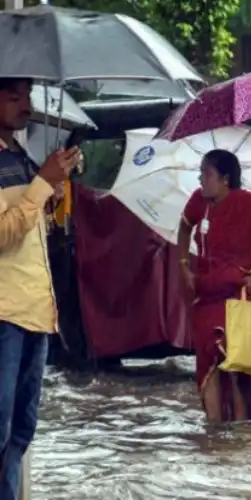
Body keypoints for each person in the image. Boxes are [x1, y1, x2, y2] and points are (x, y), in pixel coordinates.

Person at [0, 77, 81, 500]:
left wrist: (51, 190)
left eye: (27, 94)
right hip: (5, 312)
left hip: (35, 310)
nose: (25, 104)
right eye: (13, 95)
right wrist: (41, 185)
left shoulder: (22, 156)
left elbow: (34, 230)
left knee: (20, 431)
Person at [178, 149, 251, 423]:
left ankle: (240, 433)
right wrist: (184, 265)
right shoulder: (198, 201)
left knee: (235, 364)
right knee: (209, 363)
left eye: (207, 174)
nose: (201, 180)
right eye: (201, 174)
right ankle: (214, 432)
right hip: (206, 295)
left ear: (225, 180)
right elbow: (184, 228)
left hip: (239, 296)